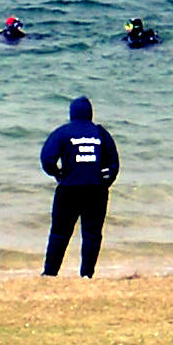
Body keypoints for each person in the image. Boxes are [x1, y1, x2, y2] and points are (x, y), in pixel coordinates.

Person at [40, 96, 120, 278]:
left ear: (72, 114)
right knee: (92, 234)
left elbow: (47, 159)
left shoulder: (63, 132)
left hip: (69, 188)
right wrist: (105, 182)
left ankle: (50, 273)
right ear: (90, 114)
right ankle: (86, 275)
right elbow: (114, 164)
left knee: (60, 233)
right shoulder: (101, 133)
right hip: (96, 190)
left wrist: (57, 174)